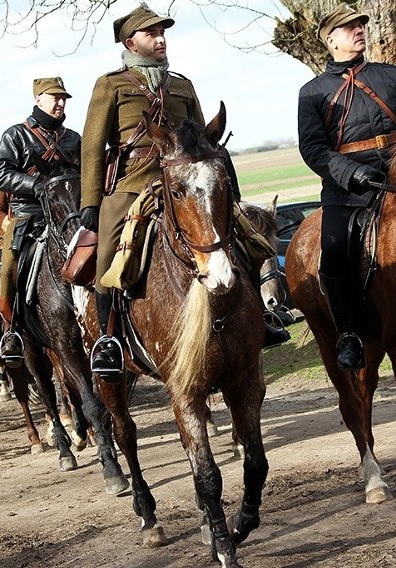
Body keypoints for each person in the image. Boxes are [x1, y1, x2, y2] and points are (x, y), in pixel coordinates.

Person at [80, 5, 289, 379]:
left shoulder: (181, 84)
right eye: (152, 34)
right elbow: (93, 148)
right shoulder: (110, 85)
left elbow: (205, 142)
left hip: (186, 183)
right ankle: (108, 342)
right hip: (132, 185)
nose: (161, 39)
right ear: (131, 42)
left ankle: (261, 316)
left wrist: (231, 194)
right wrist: (92, 204)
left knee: (247, 238)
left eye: (163, 33)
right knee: (107, 253)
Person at [297, 3, 396, 371]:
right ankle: (349, 332)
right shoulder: (312, 92)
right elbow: (313, 148)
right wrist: (351, 172)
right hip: (347, 187)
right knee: (334, 250)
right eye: (349, 27)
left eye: (360, 25)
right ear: (331, 39)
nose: (359, 31)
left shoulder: (393, 75)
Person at [0, 77, 81, 362]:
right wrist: (35, 186)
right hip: (28, 216)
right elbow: (1, 174)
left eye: (63, 97)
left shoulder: (73, 139)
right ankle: (11, 330)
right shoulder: (15, 136)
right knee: (7, 270)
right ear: (38, 98)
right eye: (54, 97)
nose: (60, 102)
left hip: (68, 216)